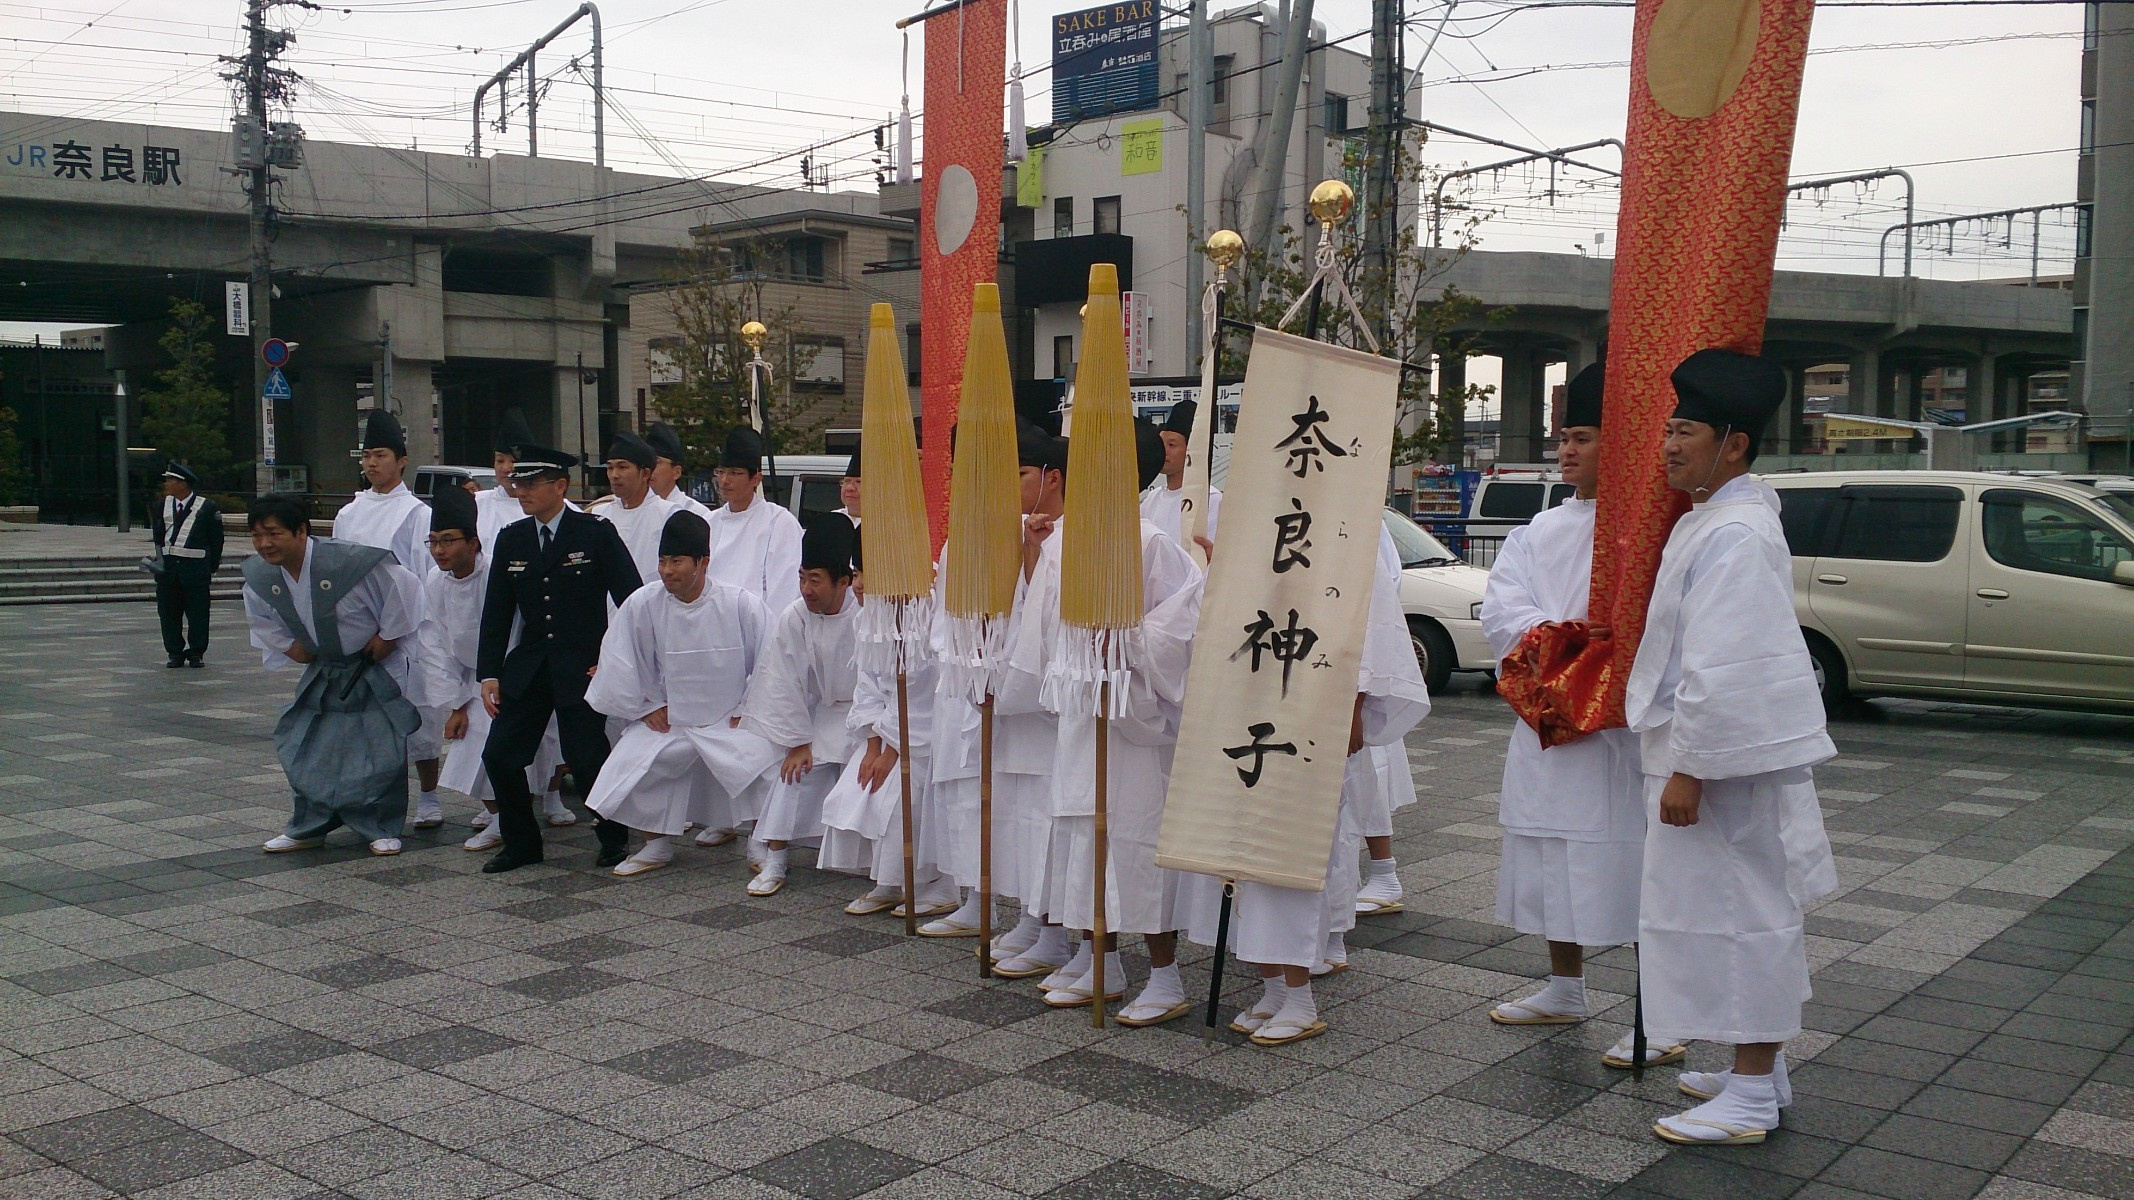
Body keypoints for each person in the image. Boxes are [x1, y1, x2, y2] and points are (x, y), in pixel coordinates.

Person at [1627, 348, 1838, 1146]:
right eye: (1669, 428)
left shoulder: (1739, 532)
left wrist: (1692, 767)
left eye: (1684, 429)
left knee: (1745, 914)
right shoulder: (1716, 517)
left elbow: (1729, 660)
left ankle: (1750, 1091)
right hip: (1705, 756)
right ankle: (1761, 1069)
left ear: (1734, 443)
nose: (1668, 444)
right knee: (1712, 914)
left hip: (1718, 766)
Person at [1478, 363, 1665, 1067]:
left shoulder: (1645, 533)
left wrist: (1592, 660)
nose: (1567, 452)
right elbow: (1503, 606)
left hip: (1614, 730)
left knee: (1637, 863)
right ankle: (1565, 984)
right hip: (1546, 719)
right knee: (1548, 856)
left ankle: (1662, 1010)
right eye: (1564, 440)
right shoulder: (1541, 527)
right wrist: (1561, 651)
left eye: (1582, 439)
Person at [1020, 424, 1202, 1024]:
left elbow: (1183, 627)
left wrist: (1124, 640)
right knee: (1082, 838)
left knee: (1135, 843)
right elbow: (1045, 632)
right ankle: (1100, 955)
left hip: (1133, 719)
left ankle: (1166, 975)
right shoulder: (1061, 542)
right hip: (1082, 712)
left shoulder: (1151, 543)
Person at [583, 510, 782, 877]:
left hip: (730, 718)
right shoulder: (644, 603)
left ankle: (760, 841)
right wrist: (647, 706)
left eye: (676, 561)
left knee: (764, 761)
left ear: (702, 562)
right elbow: (623, 659)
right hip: (671, 719)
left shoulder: (740, 603)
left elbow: (771, 661)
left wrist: (749, 707)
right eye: (662, 560)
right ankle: (655, 844)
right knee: (632, 763)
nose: (667, 570)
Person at [476, 444, 643, 873]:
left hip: (582, 664)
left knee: (587, 757)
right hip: (531, 666)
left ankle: (612, 837)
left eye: (532, 483)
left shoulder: (594, 533)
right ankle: (521, 843)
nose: (522, 490)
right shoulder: (512, 537)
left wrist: (615, 660)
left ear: (560, 486)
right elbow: (497, 612)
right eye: (519, 483)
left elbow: (634, 602)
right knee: (501, 755)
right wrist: (489, 672)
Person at [240, 493, 426, 857]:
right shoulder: (260, 575)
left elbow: (405, 589)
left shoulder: (349, 563)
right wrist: (289, 646)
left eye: (274, 533)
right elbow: (261, 618)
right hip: (324, 670)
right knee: (309, 746)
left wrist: (388, 636)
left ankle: (380, 825)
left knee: (379, 748)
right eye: (257, 535)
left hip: (372, 667)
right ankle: (309, 825)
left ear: (301, 531)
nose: (264, 544)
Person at [416, 483, 569, 847]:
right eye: (434, 541)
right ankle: (500, 814)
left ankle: (521, 811)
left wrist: (502, 680)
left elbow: (514, 627)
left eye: (449, 540)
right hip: (469, 679)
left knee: (518, 748)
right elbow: (433, 642)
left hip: (513, 675)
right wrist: (456, 702)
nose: (439, 550)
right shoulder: (435, 581)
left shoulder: (497, 575)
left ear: (473, 542)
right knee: (468, 753)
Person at [738, 514, 862, 896]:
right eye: (802, 577)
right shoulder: (796, 615)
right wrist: (797, 740)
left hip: (868, 721)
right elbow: (780, 679)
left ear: (843, 580)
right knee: (794, 775)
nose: (807, 589)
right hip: (824, 717)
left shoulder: (867, 611)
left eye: (816, 579)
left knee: (873, 784)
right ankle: (775, 856)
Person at [705, 424, 804, 615]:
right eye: (721, 471)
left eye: (735, 473)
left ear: (756, 478)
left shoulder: (779, 523)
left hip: (757, 628)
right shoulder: (708, 523)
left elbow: (785, 592)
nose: (725, 480)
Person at [333, 408, 433, 577]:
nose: (371, 463)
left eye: (380, 456)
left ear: (402, 461)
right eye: (366, 456)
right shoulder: (347, 514)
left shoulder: (417, 514)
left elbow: (425, 572)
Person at [150, 461, 224, 668]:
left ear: (182, 483)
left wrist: (211, 566)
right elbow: (157, 536)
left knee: (198, 613)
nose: (166, 484)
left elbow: (216, 540)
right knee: (168, 613)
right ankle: (174, 652)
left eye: (170, 480)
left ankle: (196, 652)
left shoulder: (207, 507)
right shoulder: (161, 505)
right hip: (168, 571)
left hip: (195, 571)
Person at [591, 430, 677, 580]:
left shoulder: (668, 514)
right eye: (610, 468)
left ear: (645, 474)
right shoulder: (599, 514)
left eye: (622, 467)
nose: (614, 475)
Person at [1138, 399, 1221, 543]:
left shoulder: (1211, 499)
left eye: (1172, 444)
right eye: (1161, 443)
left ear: (1191, 450)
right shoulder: (1153, 498)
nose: (1164, 451)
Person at [477, 408, 539, 549]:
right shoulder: (477, 504)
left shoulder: (549, 505)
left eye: (513, 461)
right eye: (500, 461)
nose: (506, 468)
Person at [645, 421, 716, 522]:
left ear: (676, 472)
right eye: (646, 462)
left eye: (657, 462)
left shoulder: (696, 513)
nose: (649, 468)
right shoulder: (637, 510)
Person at [836, 451, 862, 524]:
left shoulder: (885, 521)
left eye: (858, 482)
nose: (850, 488)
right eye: (847, 481)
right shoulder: (831, 521)